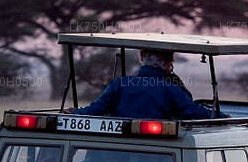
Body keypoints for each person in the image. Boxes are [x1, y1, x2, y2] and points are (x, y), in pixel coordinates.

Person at [67, 49, 218, 120]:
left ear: (141, 58)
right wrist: (220, 116)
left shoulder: (119, 84)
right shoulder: (171, 89)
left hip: (120, 150)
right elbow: (192, 111)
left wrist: (75, 113)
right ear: (169, 62)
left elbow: (96, 109)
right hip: (159, 150)